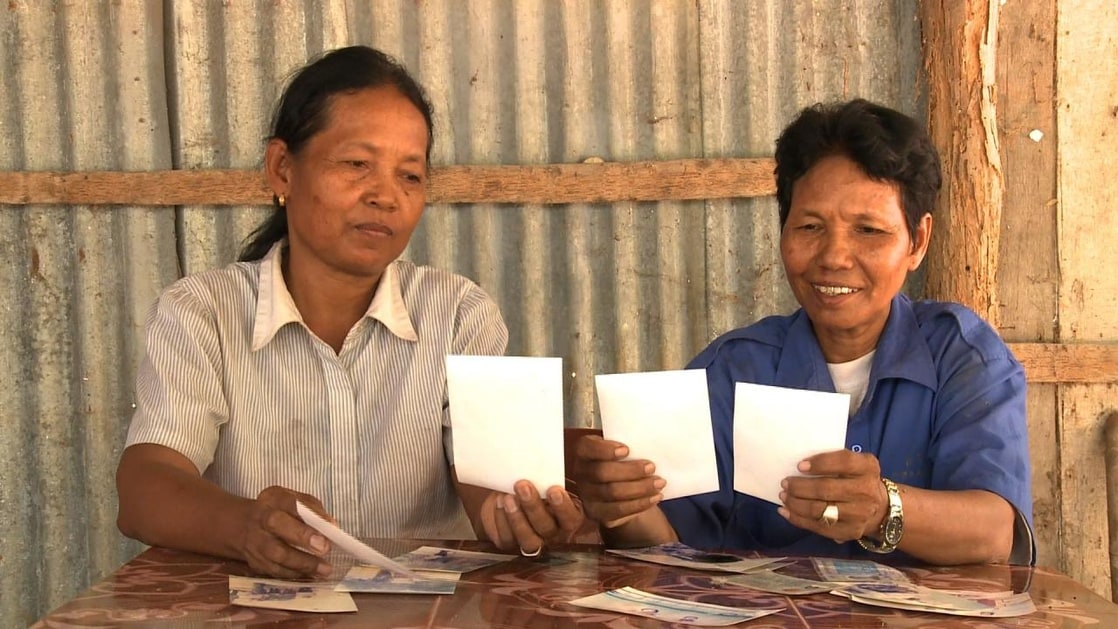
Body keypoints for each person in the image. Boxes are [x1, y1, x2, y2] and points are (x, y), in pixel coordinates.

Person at [116, 45, 583, 580]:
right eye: (357, 165)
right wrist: (246, 526)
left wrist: (516, 514)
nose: (385, 196)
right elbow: (144, 486)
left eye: (410, 176)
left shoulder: (457, 312)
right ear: (282, 170)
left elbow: (487, 488)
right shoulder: (203, 313)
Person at [572, 99, 1033, 566]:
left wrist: (882, 508)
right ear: (783, 231)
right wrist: (621, 508)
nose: (834, 256)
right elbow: (665, 546)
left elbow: (995, 533)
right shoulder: (732, 370)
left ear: (917, 241)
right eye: (810, 226)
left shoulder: (964, 357)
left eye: (869, 230)